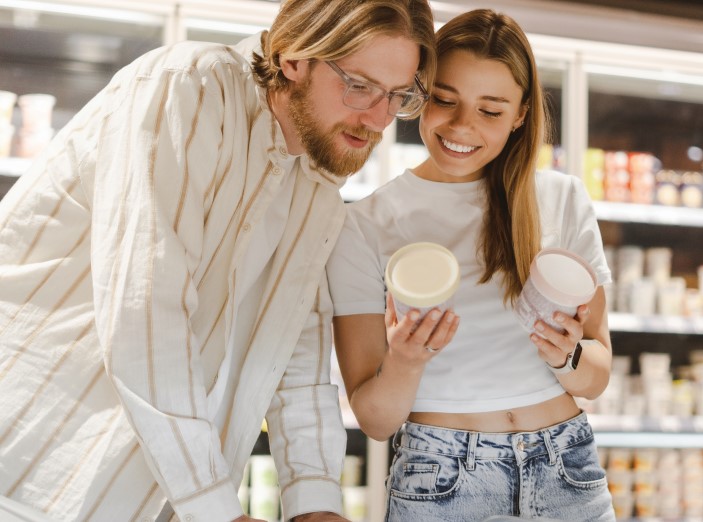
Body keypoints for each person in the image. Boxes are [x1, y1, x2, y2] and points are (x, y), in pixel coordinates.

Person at [0, 0, 435, 520]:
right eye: (360, 86)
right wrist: (215, 509)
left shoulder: (317, 177)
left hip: (161, 492)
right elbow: (146, 316)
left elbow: (296, 350)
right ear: (295, 56)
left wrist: (315, 499)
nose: (379, 118)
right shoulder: (184, 89)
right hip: (36, 468)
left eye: (397, 95)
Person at [326, 9, 615, 522]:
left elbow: (595, 376)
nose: (463, 127)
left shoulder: (561, 198)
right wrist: (406, 361)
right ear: (421, 92)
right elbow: (374, 419)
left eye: (491, 110)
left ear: (522, 114)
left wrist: (566, 356)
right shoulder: (365, 224)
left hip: (568, 469)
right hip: (443, 477)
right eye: (445, 100)